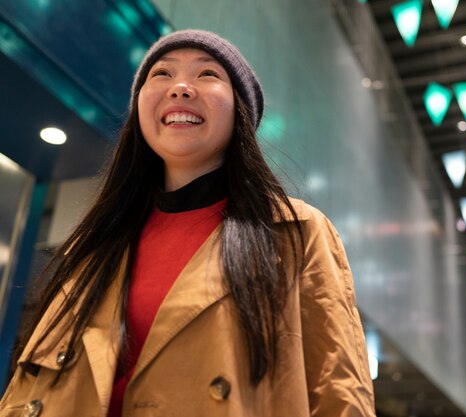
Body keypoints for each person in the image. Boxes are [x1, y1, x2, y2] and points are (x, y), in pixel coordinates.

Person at [0, 30, 375, 416]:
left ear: (240, 111)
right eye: (161, 74)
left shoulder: (295, 232)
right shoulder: (90, 247)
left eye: (208, 74)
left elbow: (340, 395)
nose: (180, 87)